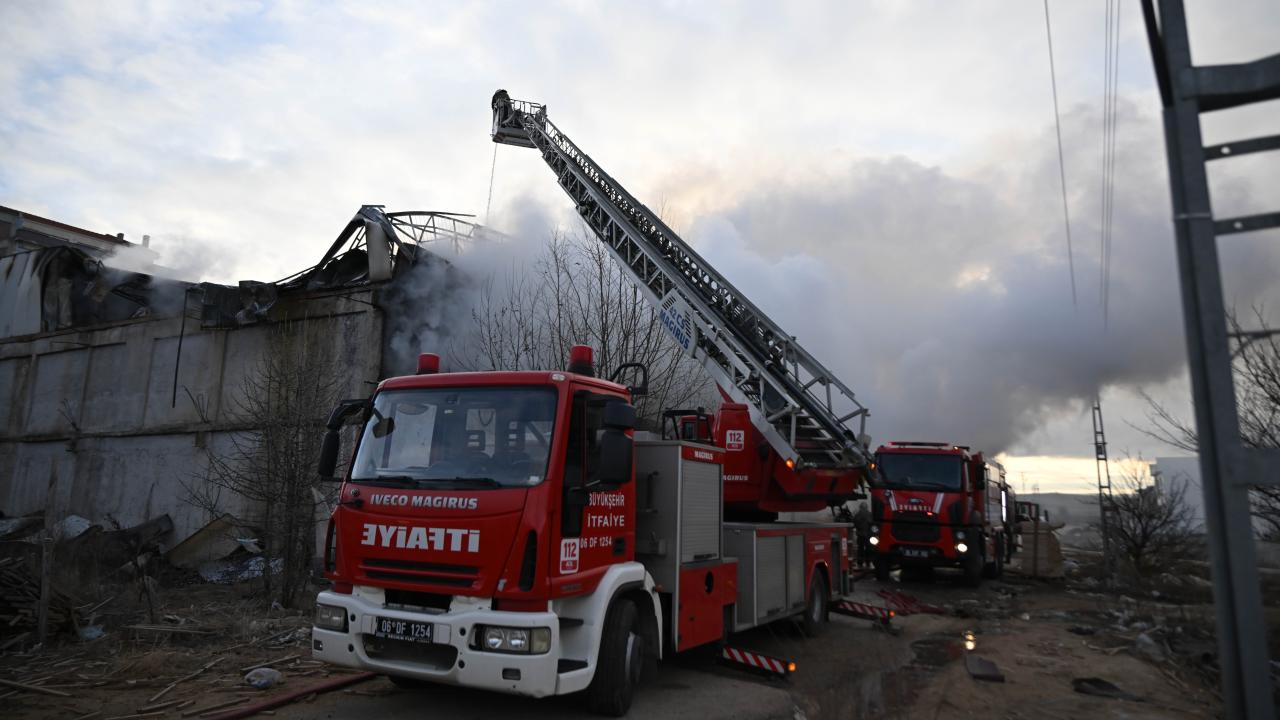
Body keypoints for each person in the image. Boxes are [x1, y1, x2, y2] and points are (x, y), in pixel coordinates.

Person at [852, 502, 872, 568]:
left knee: (860, 549)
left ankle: (860, 563)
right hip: (868, 536)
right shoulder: (870, 515)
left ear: (860, 508)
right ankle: (868, 562)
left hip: (861, 535)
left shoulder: (857, 515)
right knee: (868, 549)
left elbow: (854, 524)